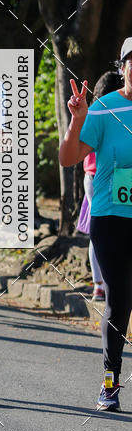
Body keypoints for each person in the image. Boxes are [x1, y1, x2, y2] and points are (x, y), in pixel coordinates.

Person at [59, 38, 132, 411]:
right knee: (120, 300)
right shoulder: (105, 108)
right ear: (122, 67)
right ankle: (110, 380)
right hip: (112, 217)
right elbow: (68, 157)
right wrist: (78, 119)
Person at [76, 71, 121, 301]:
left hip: (92, 176)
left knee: (99, 231)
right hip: (118, 175)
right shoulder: (121, 111)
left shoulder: (91, 111)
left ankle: (98, 285)